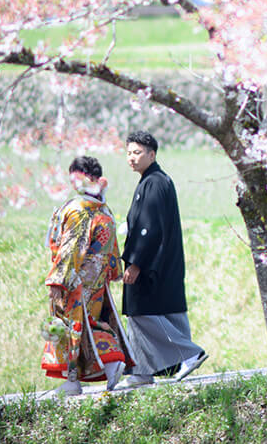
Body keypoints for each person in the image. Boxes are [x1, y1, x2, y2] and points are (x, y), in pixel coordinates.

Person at [117, 130, 207, 388]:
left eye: (137, 152)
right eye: (128, 153)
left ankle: (190, 353)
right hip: (163, 263)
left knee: (141, 314)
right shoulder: (155, 180)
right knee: (168, 314)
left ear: (152, 154)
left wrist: (135, 262)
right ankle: (143, 371)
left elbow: (149, 226)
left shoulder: (154, 182)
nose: (131, 158)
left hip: (150, 264)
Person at [41, 155, 133, 396]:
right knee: (92, 323)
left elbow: (71, 246)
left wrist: (58, 280)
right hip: (97, 277)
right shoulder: (103, 208)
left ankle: (72, 380)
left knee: (73, 327)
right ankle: (112, 364)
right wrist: (110, 270)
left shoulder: (78, 209)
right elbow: (110, 245)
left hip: (76, 278)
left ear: (88, 178)